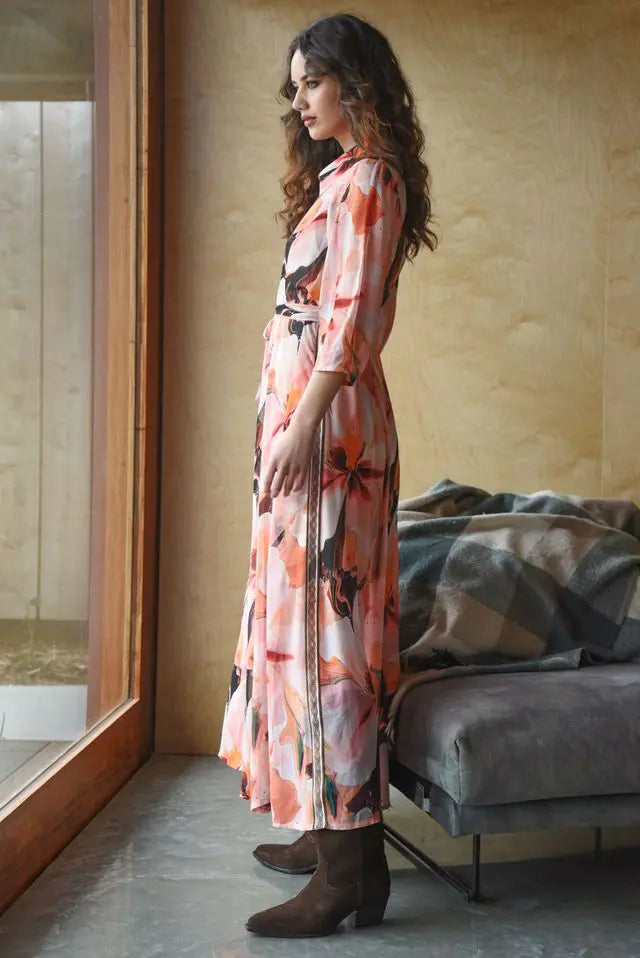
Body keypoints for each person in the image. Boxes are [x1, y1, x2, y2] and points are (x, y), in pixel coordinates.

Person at [218, 11, 437, 938]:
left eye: (312, 81)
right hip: (311, 428)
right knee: (299, 628)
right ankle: (328, 826)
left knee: (328, 638)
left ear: (356, 83)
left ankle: (348, 869)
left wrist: (300, 427)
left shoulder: (372, 181)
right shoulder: (336, 181)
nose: (299, 99)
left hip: (331, 436)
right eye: (295, 85)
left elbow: (347, 326)